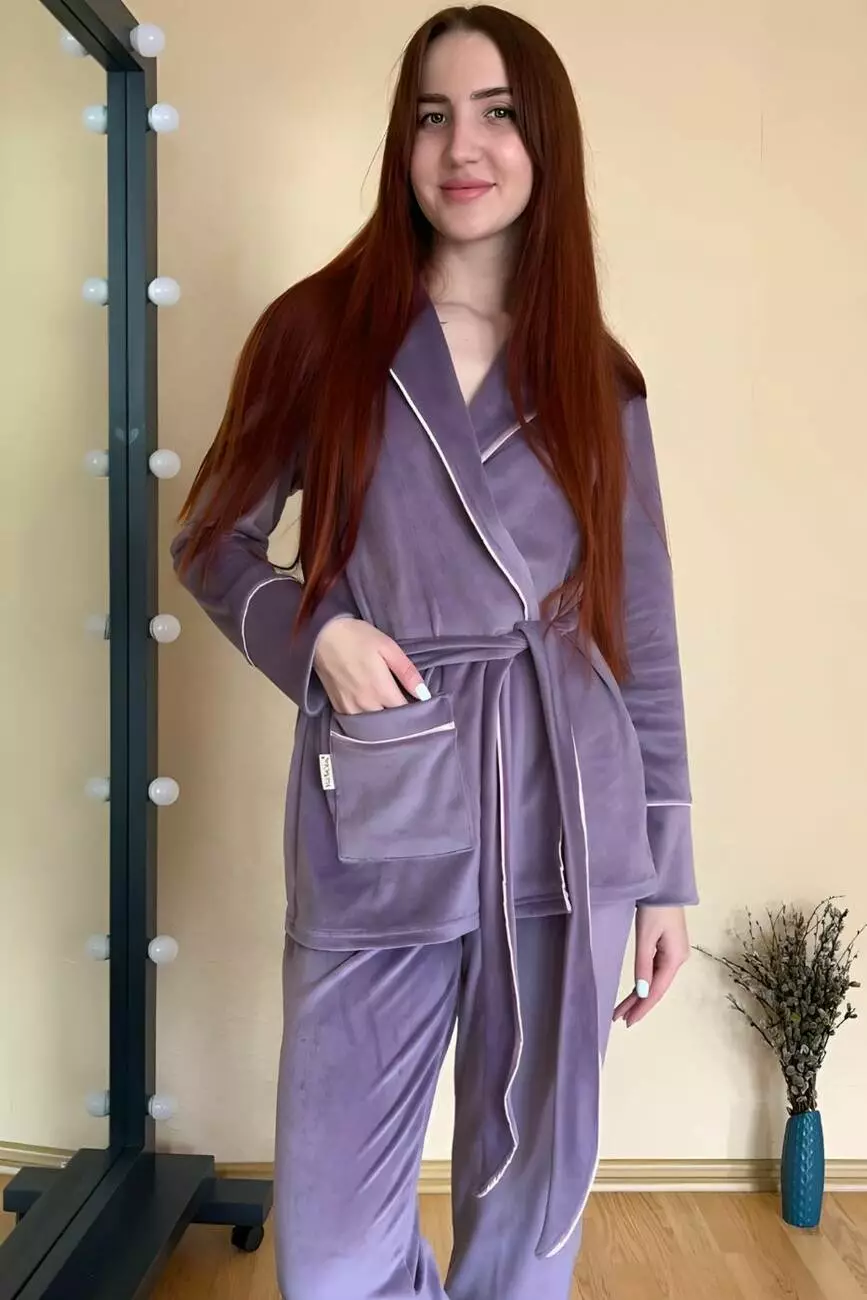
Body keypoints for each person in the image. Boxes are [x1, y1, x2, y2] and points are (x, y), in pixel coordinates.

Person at [170, 5, 698, 1297]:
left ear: (545, 141)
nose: (463, 146)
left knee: (530, 1209)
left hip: (569, 810)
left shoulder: (600, 380)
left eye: (497, 113)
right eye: (431, 115)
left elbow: (639, 632)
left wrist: (665, 871)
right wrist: (320, 634)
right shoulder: (318, 334)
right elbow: (211, 540)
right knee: (334, 1248)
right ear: (400, 144)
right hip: (388, 789)